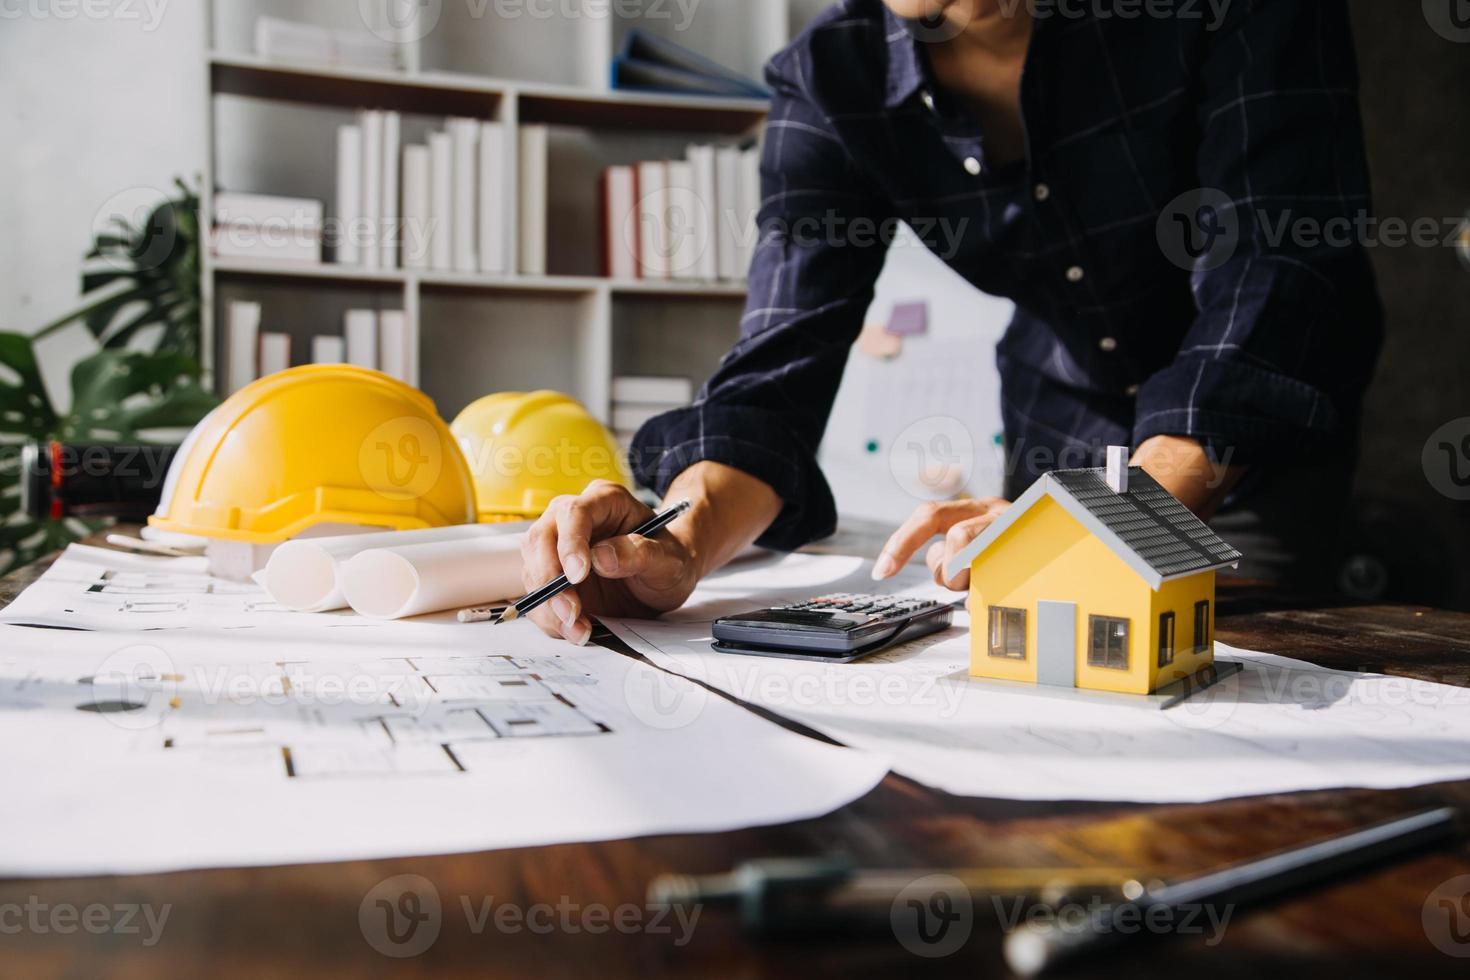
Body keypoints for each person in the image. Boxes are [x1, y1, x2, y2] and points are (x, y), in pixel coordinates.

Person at [520, 0, 1383, 645]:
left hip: (1241, 443)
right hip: (1057, 439)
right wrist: (676, 542)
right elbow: (776, 376)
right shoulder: (831, 77)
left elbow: (1277, 270)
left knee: (1236, 687)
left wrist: (1117, 514)